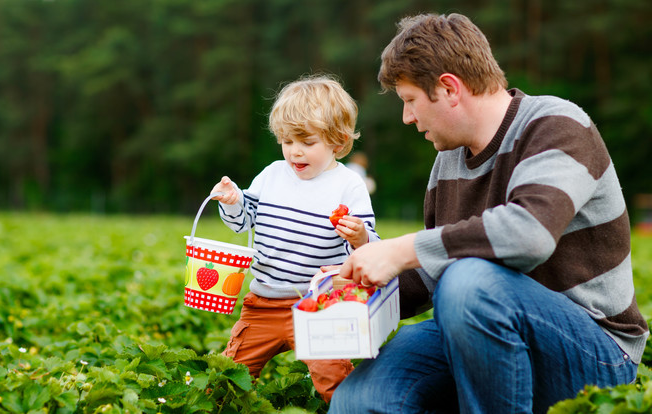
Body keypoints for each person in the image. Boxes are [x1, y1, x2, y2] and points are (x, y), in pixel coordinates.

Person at [328, 13, 649, 413]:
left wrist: (400, 249)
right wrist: (345, 292)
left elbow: (528, 233)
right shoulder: (447, 163)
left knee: (469, 281)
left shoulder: (557, 125)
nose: (407, 117)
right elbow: (431, 272)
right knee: (359, 400)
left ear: (449, 88)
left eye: (410, 101)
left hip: (595, 351)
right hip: (480, 326)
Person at [210, 74, 380, 402]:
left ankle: (350, 408)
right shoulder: (272, 175)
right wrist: (233, 202)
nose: (295, 152)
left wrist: (358, 235)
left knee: (334, 380)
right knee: (229, 378)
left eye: (307, 142)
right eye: (287, 141)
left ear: (338, 141)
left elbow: (367, 246)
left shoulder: (349, 185)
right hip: (261, 305)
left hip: (318, 306)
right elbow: (244, 220)